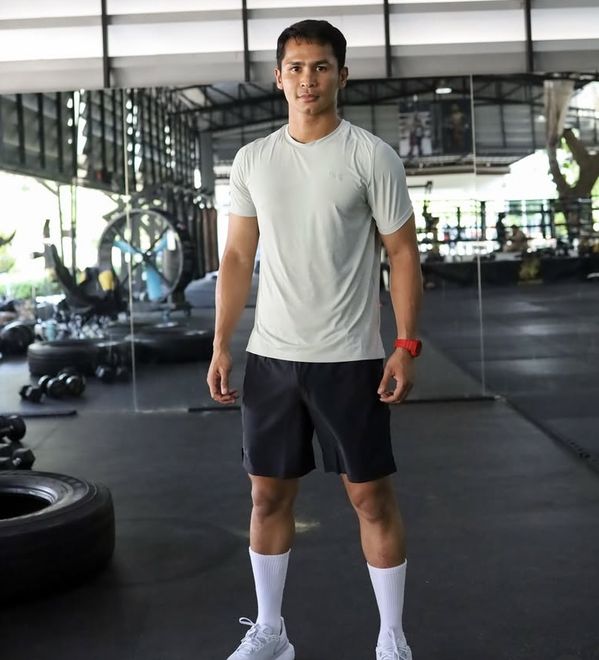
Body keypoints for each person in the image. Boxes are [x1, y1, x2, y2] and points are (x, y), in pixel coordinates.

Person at [207, 19, 422, 660]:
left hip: (350, 359)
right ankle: (271, 632)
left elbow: (402, 253)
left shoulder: (371, 156)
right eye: (296, 68)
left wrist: (406, 343)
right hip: (272, 358)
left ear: (341, 76)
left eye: (321, 67)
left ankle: (392, 639)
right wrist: (221, 343)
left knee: (370, 498)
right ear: (278, 78)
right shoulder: (253, 160)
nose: (308, 79)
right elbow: (237, 257)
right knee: (266, 495)